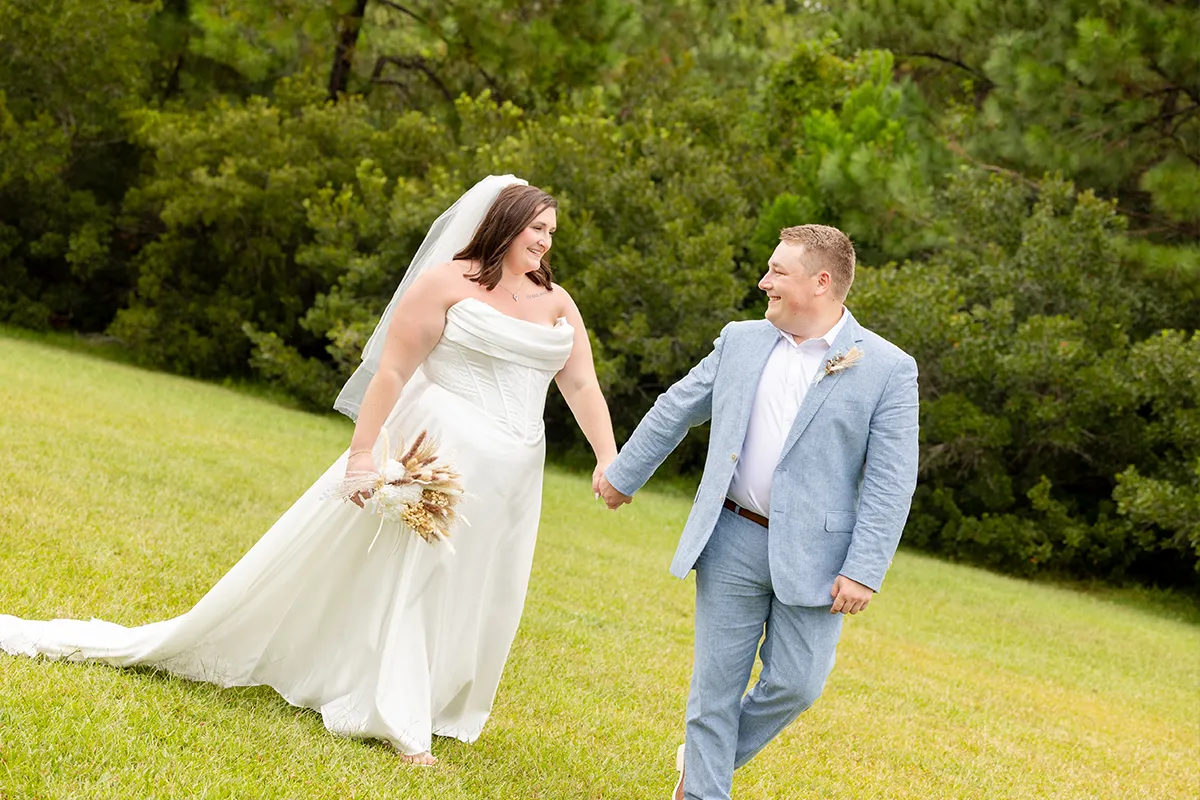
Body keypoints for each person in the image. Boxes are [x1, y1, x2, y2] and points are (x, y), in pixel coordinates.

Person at [0, 175, 618, 766]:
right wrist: (362, 456)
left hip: (515, 472)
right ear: (504, 225)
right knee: (422, 575)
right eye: (536, 228)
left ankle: (436, 701)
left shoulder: (557, 302)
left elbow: (581, 382)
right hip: (442, 452)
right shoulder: (446, 283)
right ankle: (398, 719)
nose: (544, 241)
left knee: (483, 583)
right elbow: (395, 372)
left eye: (552, 232)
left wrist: (606, 455)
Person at [597, 224, 919, 799]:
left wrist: (865, 567)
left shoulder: (888, 369)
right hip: (730, 538)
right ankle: (702, 789)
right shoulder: (741, 340)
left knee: (798, 684)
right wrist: (624, 476)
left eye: (778, 272)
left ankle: (701, 761)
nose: (763, 280)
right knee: (714, 690)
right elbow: (677, 408)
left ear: (822, 282)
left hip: (821, 556)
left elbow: (892, 481)